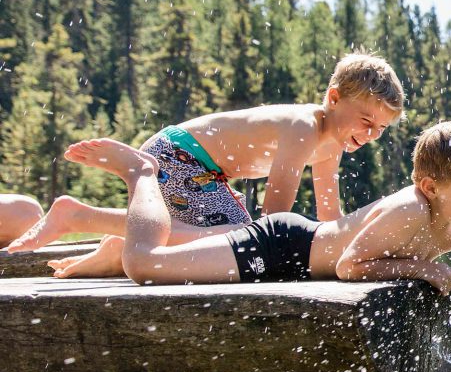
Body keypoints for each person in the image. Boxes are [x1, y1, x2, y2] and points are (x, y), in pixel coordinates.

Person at [61, 121, 451, 372]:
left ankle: (115, 249)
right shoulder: (408, 210)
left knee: (152, 258)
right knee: (144, 266)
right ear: (430, 187)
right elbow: (348, 266)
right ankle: (141, 173)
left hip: (290, 252)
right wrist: (420, 268)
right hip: (280, 247)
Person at [4, 50, 405, 278]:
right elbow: (275, 217)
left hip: (203, 172)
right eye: (366, 121)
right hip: (176, 156)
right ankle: (79, 217)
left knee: (230, 238)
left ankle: (113, 243)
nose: (371, 134)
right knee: (237, 239)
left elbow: (329, 215)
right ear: (333, 99)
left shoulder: (331, 141)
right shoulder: (304, 128)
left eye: (381, 128)